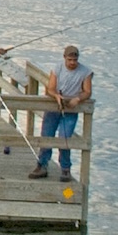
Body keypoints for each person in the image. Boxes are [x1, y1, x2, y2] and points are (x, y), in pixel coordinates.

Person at [30, 44, 91, 182]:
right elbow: (50, 88)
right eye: (69, 60)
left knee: (65, 138)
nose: (72, 63)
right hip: (55, 106)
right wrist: (56, 96)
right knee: (47, 135)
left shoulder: (85, 72)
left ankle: (65, 168)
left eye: (74, 60)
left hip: (71, 109)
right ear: (65, 58)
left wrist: (78, 98)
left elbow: (87, 91)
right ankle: (42, 165)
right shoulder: (57, 68)